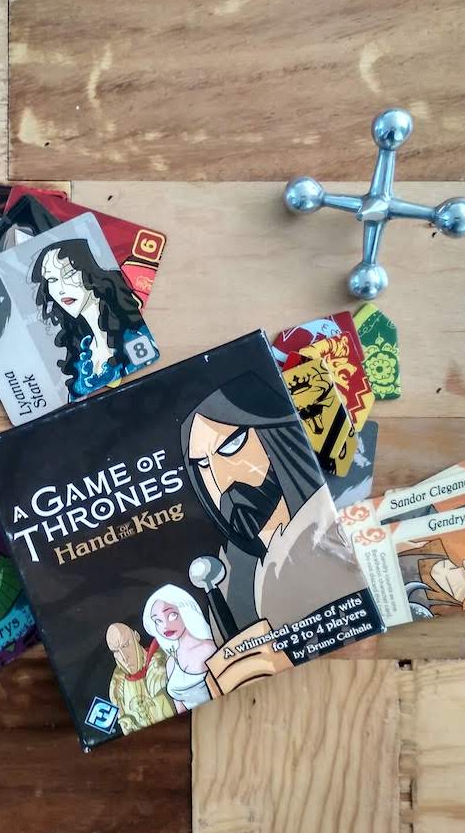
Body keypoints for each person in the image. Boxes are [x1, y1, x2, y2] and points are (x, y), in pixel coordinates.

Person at [180, 373, 370, 635]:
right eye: (202, 464)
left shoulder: (334, 526)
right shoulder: (225, 581)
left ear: (274, 433)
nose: (220, 481)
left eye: (232, 445)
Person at [30, 238, 157, 399]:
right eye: (52, 280)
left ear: (90, 271)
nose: (61, 289)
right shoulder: (80, 352)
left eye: (69, 273)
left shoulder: (136, 335)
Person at [142, 584, 216, 713]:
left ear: (185, 611)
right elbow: (180, 708)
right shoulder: (171, 663)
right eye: (158, 621)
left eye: (172, 615)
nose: (165, 626)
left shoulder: (208, 649)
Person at [105, 623, 175, 733]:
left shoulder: (166, 658)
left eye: (125, 645)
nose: (124, 657)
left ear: (136, 636)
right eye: (116, 651)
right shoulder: (117, 687)